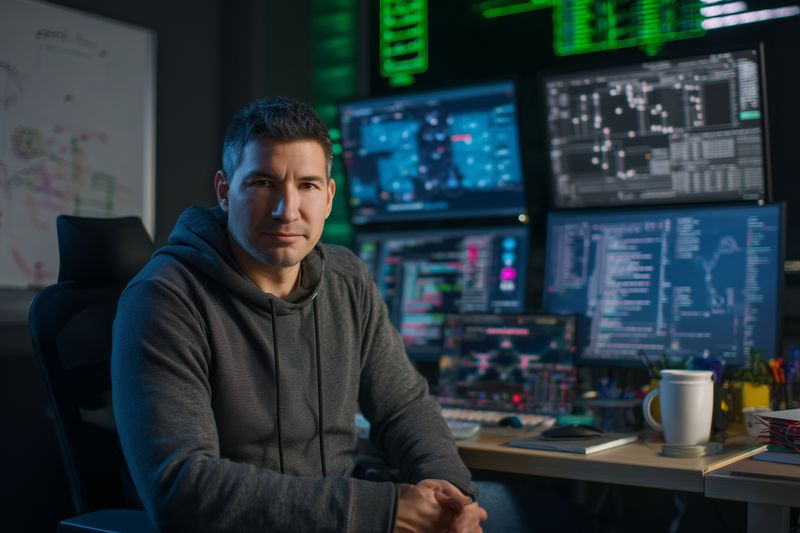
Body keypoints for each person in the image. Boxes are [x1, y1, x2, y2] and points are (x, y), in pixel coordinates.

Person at [111, 96, 488, 532]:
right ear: (224, 191)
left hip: (348, 513)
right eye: (263, 183)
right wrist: (384, 512)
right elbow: (181, 488)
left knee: (545, 512)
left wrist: (446, 492)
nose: (286, 210)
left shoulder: (346, 278)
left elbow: (405, 408)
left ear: (328, 197)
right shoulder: (164, 298)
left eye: (307, 185)